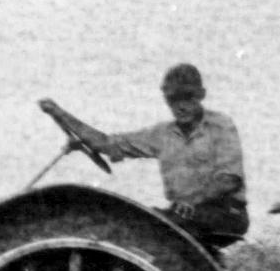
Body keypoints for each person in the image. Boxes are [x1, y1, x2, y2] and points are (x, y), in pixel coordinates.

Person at [59, 63, 250, 255]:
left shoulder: (220, 126)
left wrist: (191, 200)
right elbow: (108, 144)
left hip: (226, 213)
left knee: (152, 226)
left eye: (187, 97)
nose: (180, 106)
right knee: (131, 220)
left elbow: (229, 180)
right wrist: (60, 113)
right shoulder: (162, 134)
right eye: (173, 99)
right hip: (184, 214)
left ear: (201, 94)